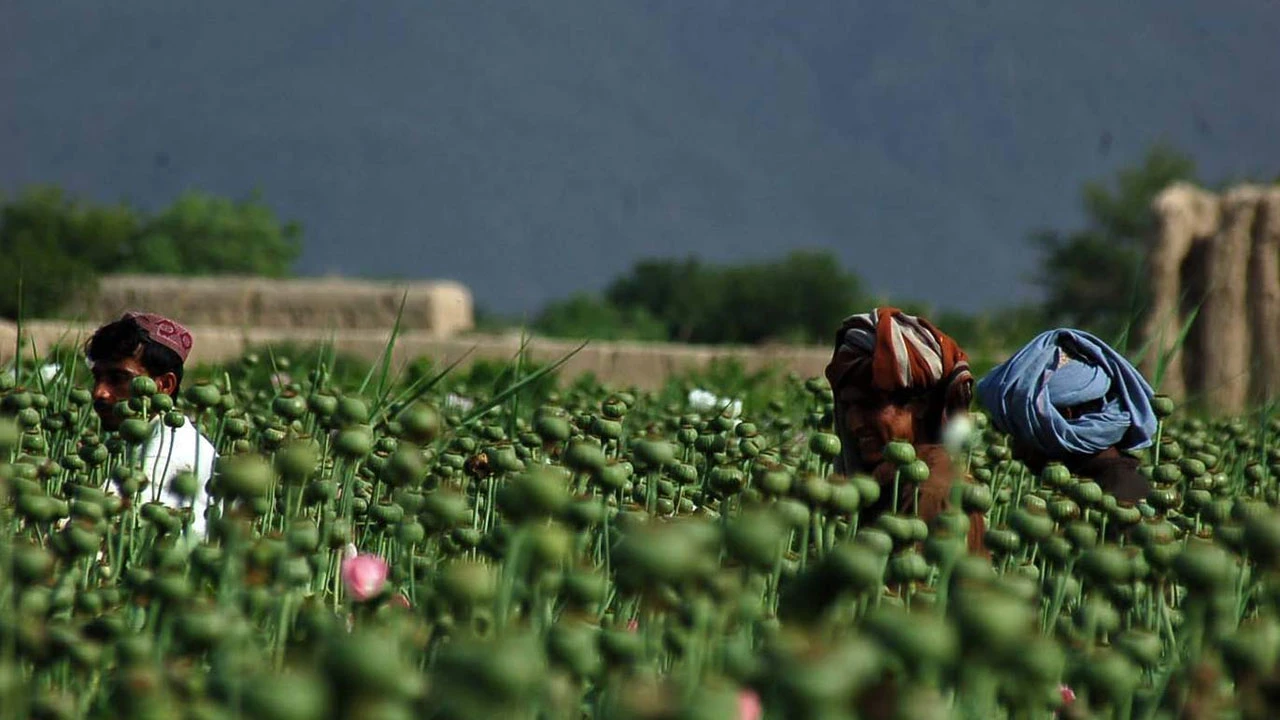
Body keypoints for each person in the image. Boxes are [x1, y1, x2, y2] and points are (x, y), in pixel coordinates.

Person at [824, 307, 986, 552]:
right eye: (848, 407)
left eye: (869, 406)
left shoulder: (932, 494)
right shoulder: (886, 481)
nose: (853, 423)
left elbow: (911, 588)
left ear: (919, 405)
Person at [975, 328, 1155, 504]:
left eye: (1021, 431)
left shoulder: (1124, 499)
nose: (1016, 453)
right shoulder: (1071, 491)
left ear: (1064, 418)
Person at [85, 311, 216, 540]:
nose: (99, 393)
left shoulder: (167, 456)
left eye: (118, 378)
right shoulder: (145, 439)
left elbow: (89, 527)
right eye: (97, 378)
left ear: (164, 385)